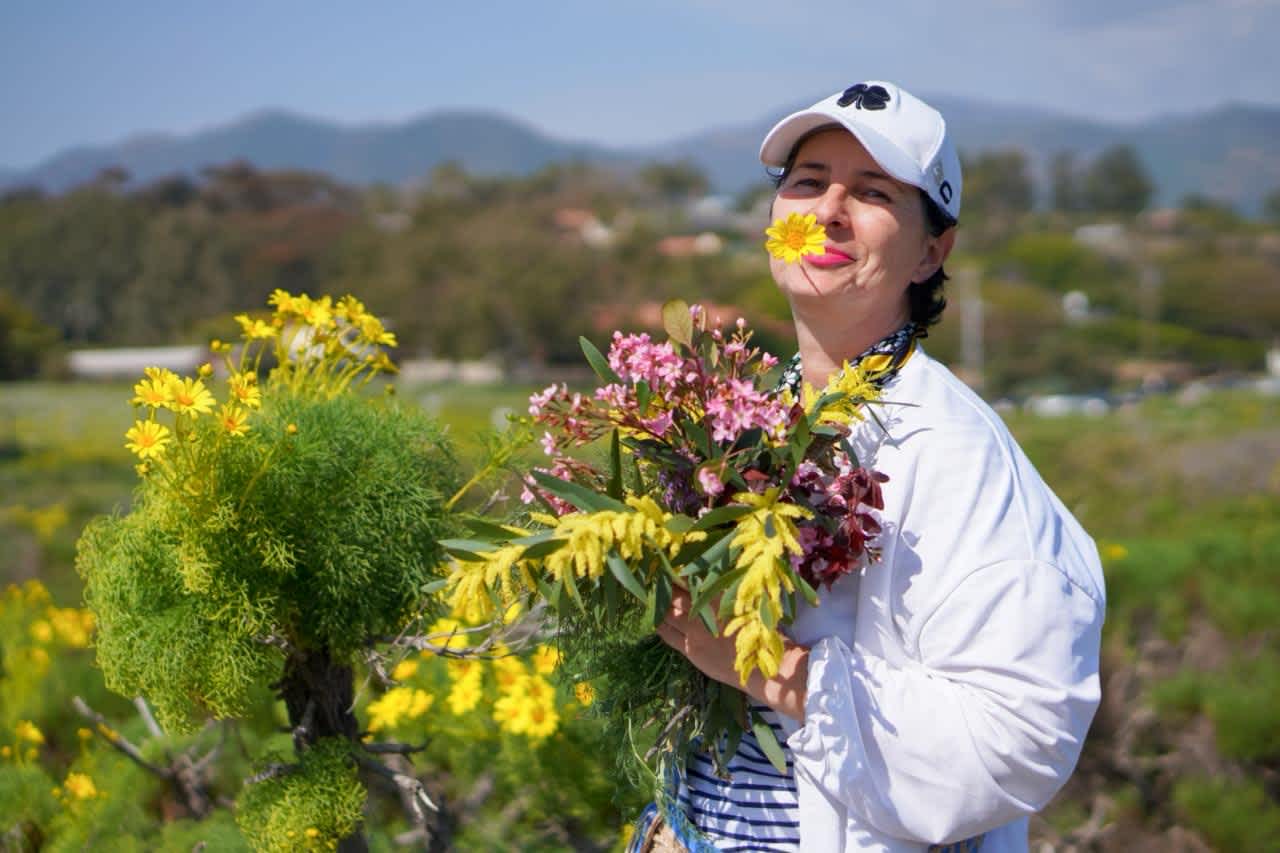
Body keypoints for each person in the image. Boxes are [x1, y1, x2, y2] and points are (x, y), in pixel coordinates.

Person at [648, 81, 1106, 852]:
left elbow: (1020, 735)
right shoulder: (751, 417)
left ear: (932, 250)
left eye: (872, 192)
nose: (827, 211)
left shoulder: (953, 450)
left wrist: (766, 666)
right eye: (805, 182)